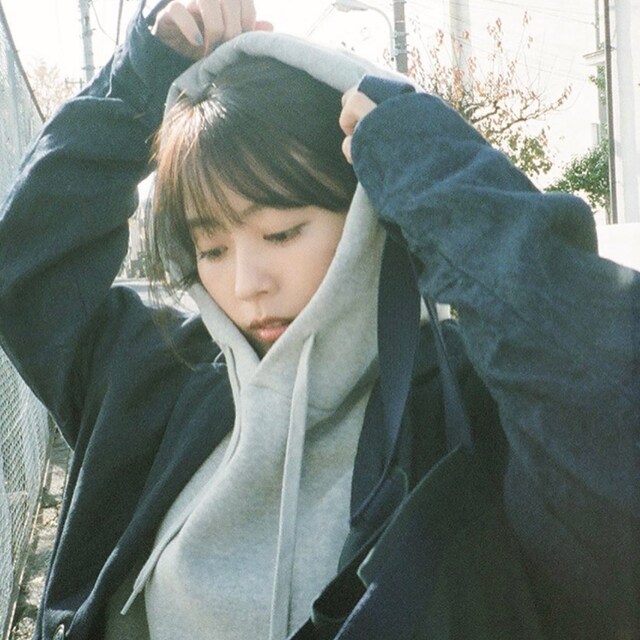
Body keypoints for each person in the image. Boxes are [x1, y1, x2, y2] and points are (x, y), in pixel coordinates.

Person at [0, 1, 637, 639]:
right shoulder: (159, 385)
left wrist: (432, 168)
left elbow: (605, 398)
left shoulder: (473, 412)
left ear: (366, 216)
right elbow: (28, 268)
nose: (246, 284)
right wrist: (144, 78)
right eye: (212, 248)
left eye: (281, 233)